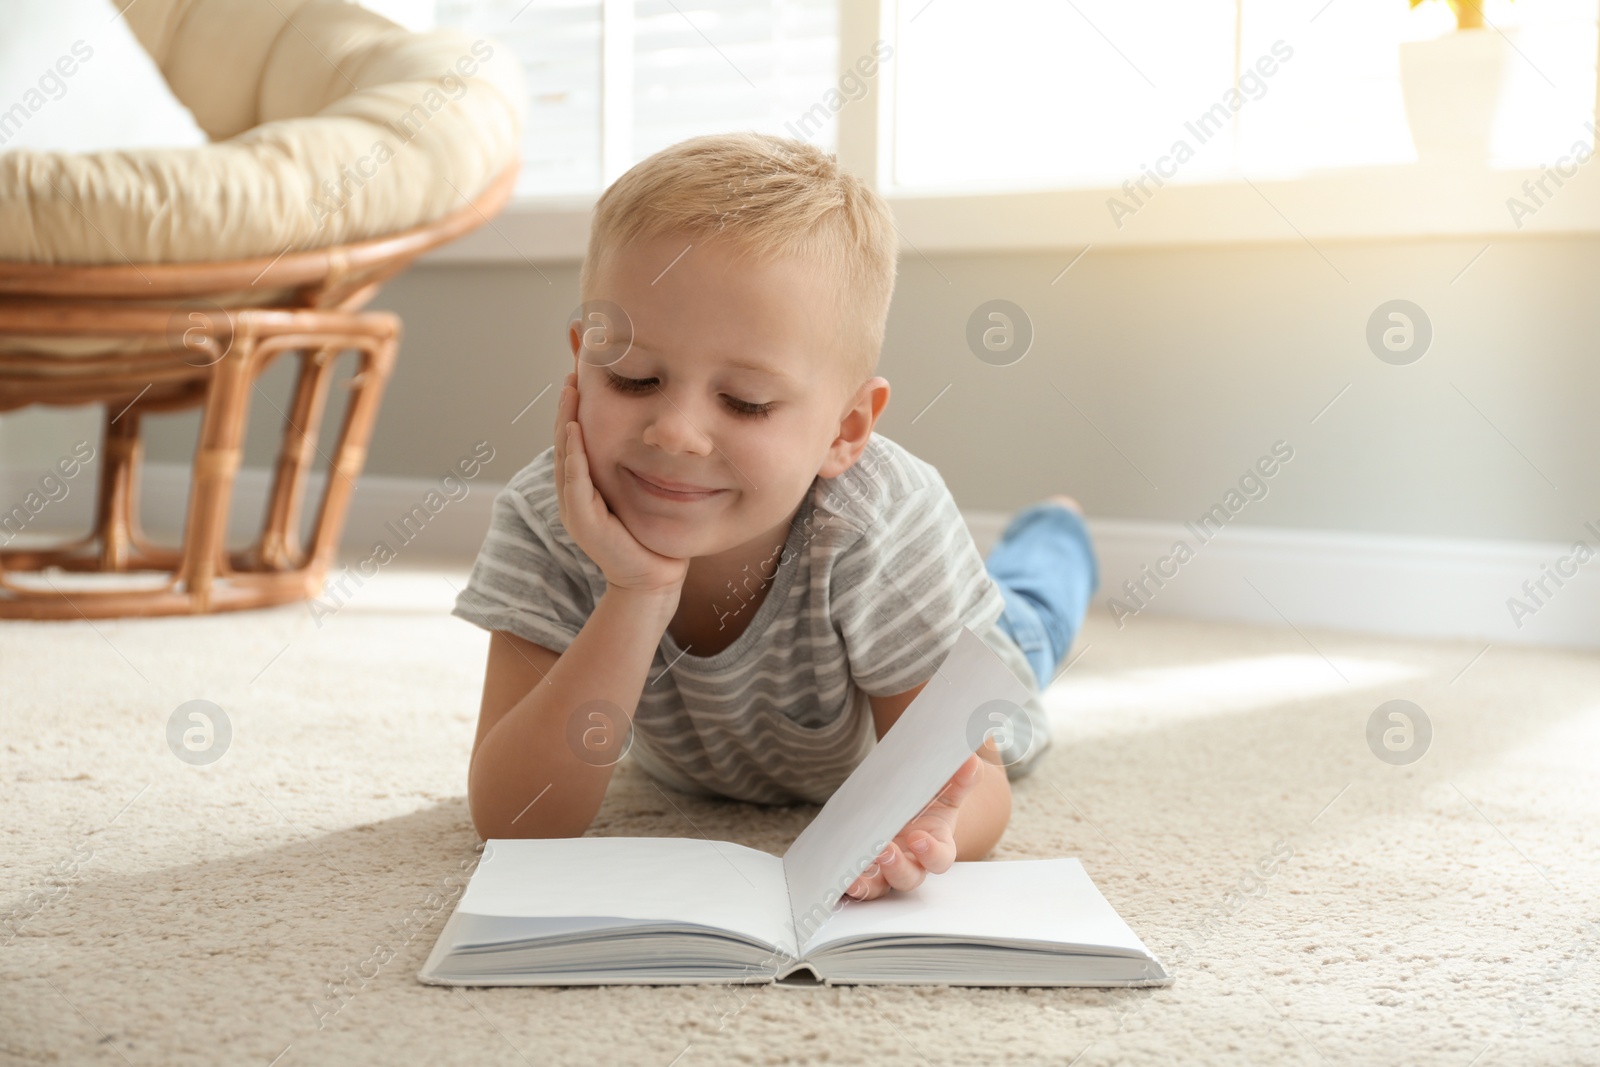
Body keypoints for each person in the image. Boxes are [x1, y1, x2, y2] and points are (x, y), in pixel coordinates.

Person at [452, 132, 1099, 901]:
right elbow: (513, 820)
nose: (675, 433)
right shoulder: (549, 514)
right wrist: (639, 591)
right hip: (722, 738)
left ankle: (1056, 528)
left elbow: (979, 788)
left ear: (847, 429)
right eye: (632, 379)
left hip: (962, 639)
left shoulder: (879, 519)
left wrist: (927, 825)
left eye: (746, 402)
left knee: (1030, 618)